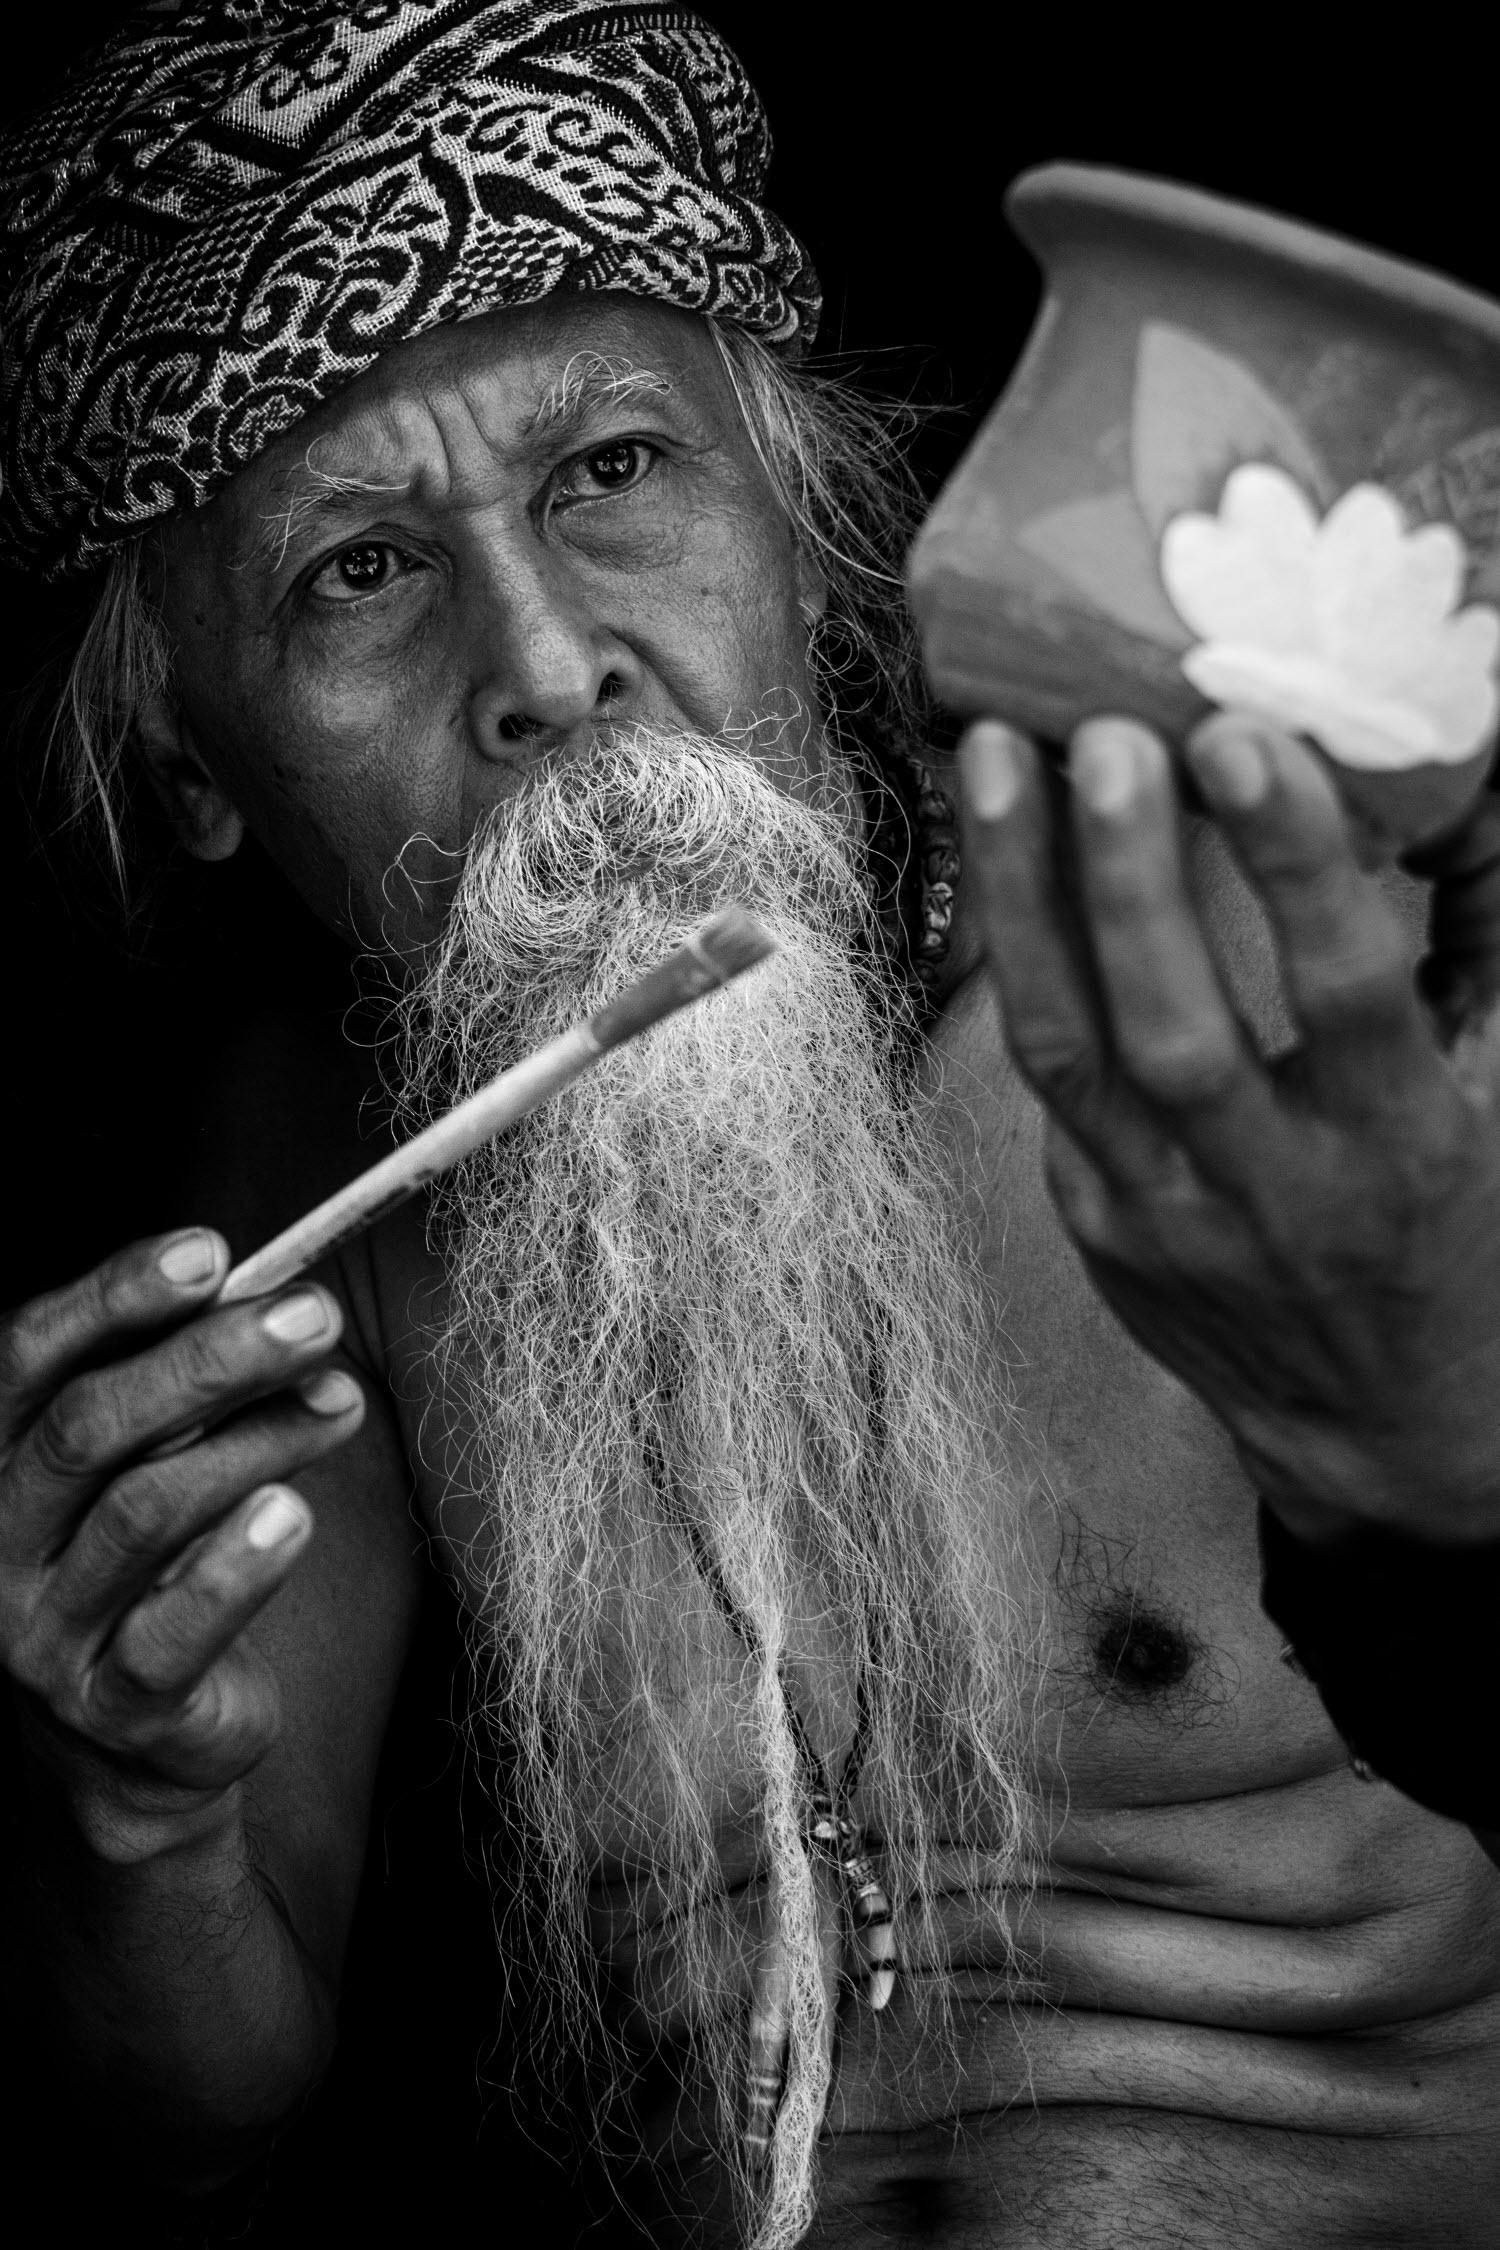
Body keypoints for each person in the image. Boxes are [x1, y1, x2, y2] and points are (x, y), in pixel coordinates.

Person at [4, 6, 1500, 2245]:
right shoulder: (305, 1189)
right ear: (195, 766)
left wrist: (1453, 1472)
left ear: (806, 528)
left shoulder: (1268, 967)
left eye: (614, 469)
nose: (546, 665)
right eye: (359, 571)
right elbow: (198, 2111)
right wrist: (129, 1814)